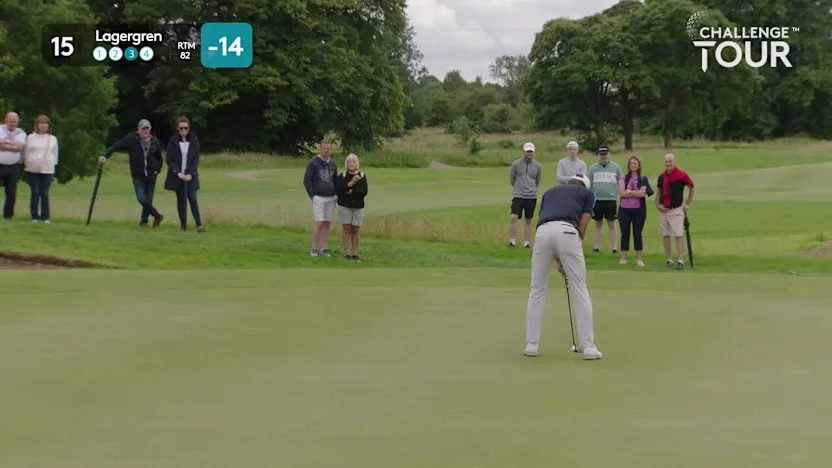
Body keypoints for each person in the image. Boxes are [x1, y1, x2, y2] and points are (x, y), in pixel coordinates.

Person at [525, 174, 603, 360]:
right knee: (579, 288)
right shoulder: (587, 193)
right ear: (584, 185)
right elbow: (582, 227)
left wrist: (560, 258)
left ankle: (531, 345)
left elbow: (547, 220)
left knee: (537, 289)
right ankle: (588, 347)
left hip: (542, 233)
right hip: (568, 230)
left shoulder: (550, 191)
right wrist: (566, 258)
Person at [98, 119, 165, 227]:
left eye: (147, 128)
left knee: (148, 200)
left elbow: (159, 159)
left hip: (152, 176)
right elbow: (115, 146)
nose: (145, 131)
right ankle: (157, 215)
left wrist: (157, 170)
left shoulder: (155, 142)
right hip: (138, 176)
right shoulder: (132, 139)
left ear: (150, 129)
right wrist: (105, 156)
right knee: (141, 199)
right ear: (138, 130)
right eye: (143, 128)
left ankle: (144, 222)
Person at [164, 116, 204, 233]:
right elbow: (170, 159)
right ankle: (183, 226)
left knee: (193, 198)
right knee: (181, 201)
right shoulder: (173, 141)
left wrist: (191, 174)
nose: (183, 130)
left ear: (188, 128)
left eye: (185, 128)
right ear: (177, 128)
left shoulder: (194, 140)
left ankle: (199, 225)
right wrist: (178, 173)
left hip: (190, 175)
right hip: (178, 176)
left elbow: (195, 159)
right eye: (181, 128)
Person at [656, 154, 695, 270]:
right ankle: (669, 259)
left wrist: (687, 204)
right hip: (664, 210)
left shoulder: (681, 175)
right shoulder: (661, 177)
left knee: (678, 235)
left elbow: (691, 187)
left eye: (670, 161)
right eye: (666, 161)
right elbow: (658, 192)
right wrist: (658, 205)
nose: (668, 164)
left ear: (674, 162)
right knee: (666, 235)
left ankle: (680, 260)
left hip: (676, 209)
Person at [303, 139, 338, 257]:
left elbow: (335, 180)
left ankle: (324, 249)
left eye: (328, 148)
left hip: (331, 198)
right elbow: (307, 180)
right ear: (320, 148)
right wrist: (312, 196)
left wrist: (336, 194)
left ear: (331, 149)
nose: (326, 150)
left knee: (327, 223)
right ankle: (314, 249)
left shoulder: (333, 164)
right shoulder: (313, 163)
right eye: (324, 148)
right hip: (318, 197)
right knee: (319, 222)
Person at [617, 155, 653, 266]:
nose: (633, 165)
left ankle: (639, 259)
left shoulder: (643, 179)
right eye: (631, 163)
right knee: (625, 233)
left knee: (637, 233)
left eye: (635, 164)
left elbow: (642, 193)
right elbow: (621, 193)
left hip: (639, 210)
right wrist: (634, 192)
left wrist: (629, 192)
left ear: (638, 165)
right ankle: (623, 258)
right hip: (624, 210)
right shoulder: (623, 177)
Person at [23, 114, 59, 223]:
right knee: (35, 192)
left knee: (44, 193)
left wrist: (52, 165)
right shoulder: (31, 137)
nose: (43, 126)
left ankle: (45, 216)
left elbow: (55, 154)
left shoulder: (52, 139)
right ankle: (34, 216)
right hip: (33, 168)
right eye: (41, 123)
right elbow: (26, 152)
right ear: (37, 125)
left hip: (47, 169)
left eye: (45, 124)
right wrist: (28, 163)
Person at [587, 145, 622, 253]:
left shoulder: (616, 167)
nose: (603, 157)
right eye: (601, 154)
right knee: (598, 223)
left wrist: (619, 196)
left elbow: (620, 182)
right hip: (597, 200)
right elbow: (589, 184)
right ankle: (596, 246)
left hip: (611, 199)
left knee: (612, 224)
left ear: (609, 154)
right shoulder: (593, 168)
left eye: (605, 154)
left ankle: (614, 248)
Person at [334, 153, 368, 262]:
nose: (351, 164)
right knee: (346, 229)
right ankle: (347, 253)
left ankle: (355, 253)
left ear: (357, 163)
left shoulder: (362, 175)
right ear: (346, 164)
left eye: (354, 162)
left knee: (355, 229)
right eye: (349, 162)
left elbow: (363, 191)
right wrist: (351, 183)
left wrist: (351, 191)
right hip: (344, 205)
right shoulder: (342, 176)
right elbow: (339, 191)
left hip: (358, 206)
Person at [508, 142, 542, 248]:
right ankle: (512, 241)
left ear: (533, 152)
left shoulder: (537, 166)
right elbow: (512, 179)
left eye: (531, 151)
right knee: (514, 217)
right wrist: (519, 188)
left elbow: (537, 181)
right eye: (527, 151)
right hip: (518, 194)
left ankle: (526, 243)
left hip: (531, 196)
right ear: (524, 152)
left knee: (528, 219)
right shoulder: (516, 164)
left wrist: (531, 189)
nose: (529, 153)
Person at [0, 112, 27, 220]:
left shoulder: (21, 133)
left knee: (11, 193)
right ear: (6, 120)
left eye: (15, 122)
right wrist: (12, 143)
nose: (12, 124)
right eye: (11, 121)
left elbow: (19, 147)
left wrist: (5, 143)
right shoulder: (0, 129)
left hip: (13, 167)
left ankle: (8, 216)